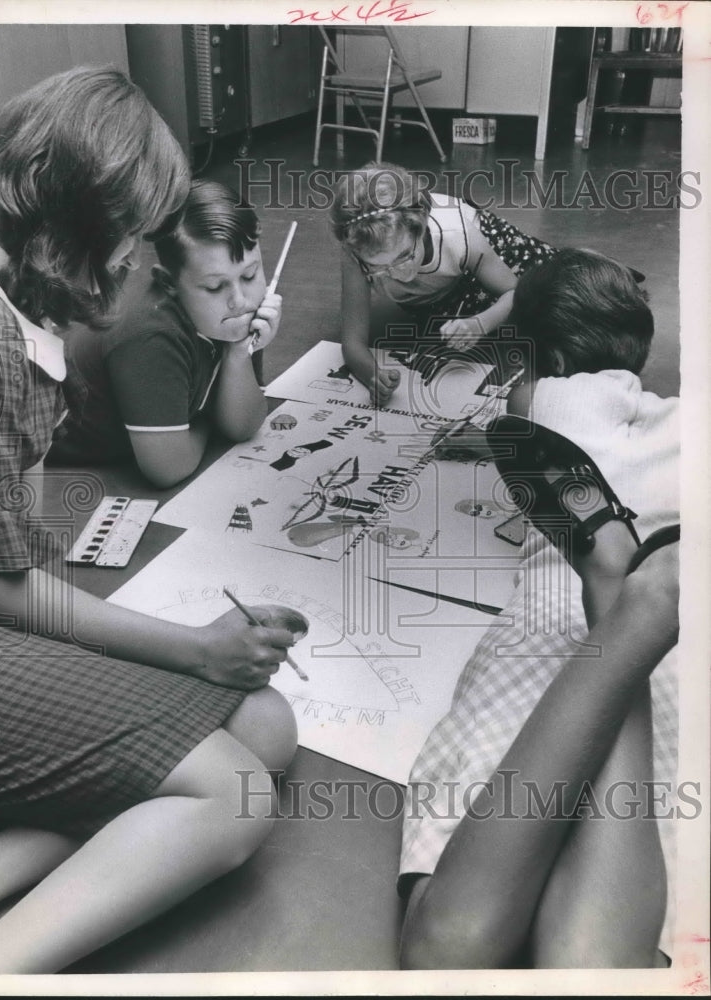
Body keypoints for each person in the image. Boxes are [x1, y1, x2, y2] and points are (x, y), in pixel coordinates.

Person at [0, 67, 303, 974]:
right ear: (78, 221)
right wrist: (193, 651)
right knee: (238, 792)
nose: (133, 260)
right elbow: (4, 593)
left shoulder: (8, 297)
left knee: (266, 726)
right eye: (128, 237)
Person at [398, 249, 680, 967]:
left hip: (547, 628)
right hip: (681, 651)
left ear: (541, 361)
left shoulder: (554, 398)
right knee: (590, 966)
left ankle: (615, 593)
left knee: (442, 953)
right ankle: (626, 597)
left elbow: (522, 422)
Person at [50, 180, 282, 488]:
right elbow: (167, 468)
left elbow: (242, 426)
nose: (240, 300)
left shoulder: (234, 312)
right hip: (49, 462)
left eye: (250, 274)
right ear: (168, 282)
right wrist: (206, 420)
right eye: (215, 287)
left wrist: (238, 352)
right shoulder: (150, 332)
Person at [329, 161, 556, 404]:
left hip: (495, 254)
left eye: (405, 255)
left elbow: (516, 292)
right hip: (442, 292)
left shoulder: (456, 234)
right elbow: (353, 342)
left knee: (550, 298)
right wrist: (373, 375)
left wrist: (481, 323)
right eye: (378, 267)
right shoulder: (356, 250)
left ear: (422, 227)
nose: (398, 273)